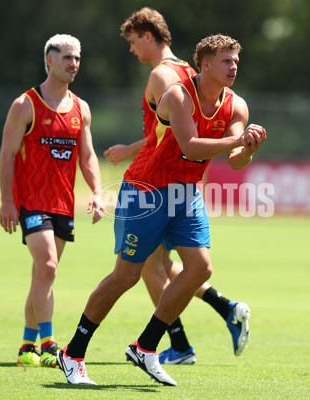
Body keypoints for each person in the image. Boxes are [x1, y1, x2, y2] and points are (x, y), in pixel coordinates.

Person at [57, 34, 266, 386]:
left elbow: (234, 161)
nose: (233, 67)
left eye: (235, 61)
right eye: (226, 61)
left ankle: (146, 346)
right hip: (146, 191)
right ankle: (73, 353)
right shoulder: (178, 95)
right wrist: (238, 140)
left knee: (200, 268)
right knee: (125, 276)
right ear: (205, 65)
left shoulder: (237, 105)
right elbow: (191, 147)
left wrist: (249, 149)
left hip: (186, 195)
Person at [104, 7, 252, 366]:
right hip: (186, 183)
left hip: (156, 183)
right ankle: (224, 308)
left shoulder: (161, 76)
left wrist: (127, 150)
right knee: (181, 265)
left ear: (149, 36)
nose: (131, 49)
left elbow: (164, 138)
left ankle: (178, 345)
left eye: (133, 41)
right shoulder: (189, 71)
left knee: (150, 268)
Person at [0, 34, 104, 368]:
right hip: (31, 200)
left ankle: (27, 346)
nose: (73, 64)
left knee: (42, 276)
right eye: (67, 58)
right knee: (47, 266)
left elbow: (87, 156)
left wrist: (97, 191)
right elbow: (7, 156)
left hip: (63, 203)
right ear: (49, 60)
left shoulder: (81, 108)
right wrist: (6, 202)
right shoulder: (25, 104)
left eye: (77, 58)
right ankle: (48, 344)